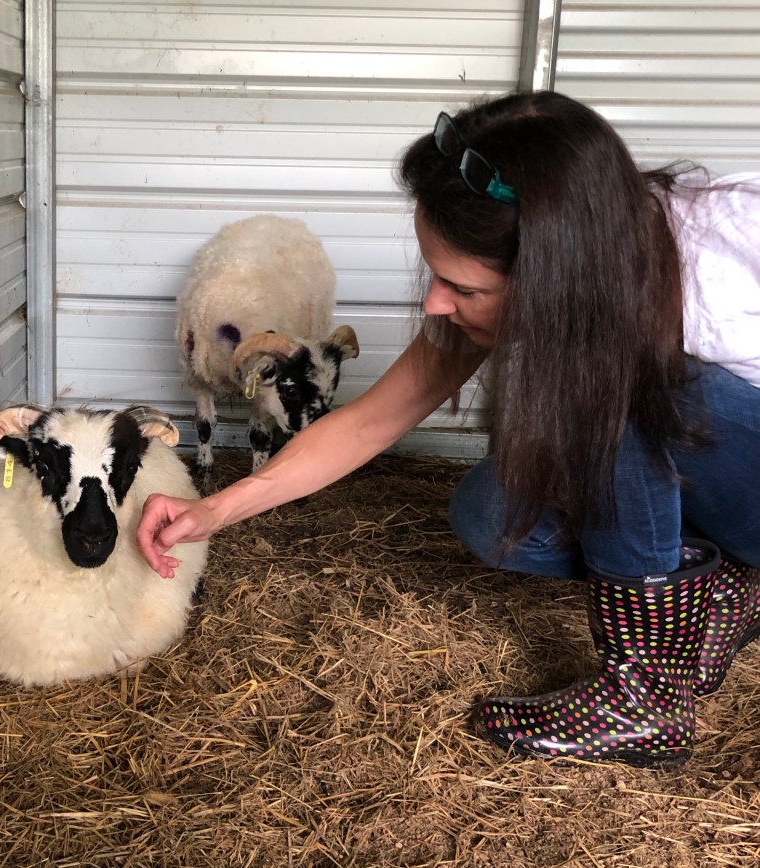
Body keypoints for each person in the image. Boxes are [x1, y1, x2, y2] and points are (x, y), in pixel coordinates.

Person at [136, 91, 760, 768]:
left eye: (464, 289)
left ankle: (644, 701)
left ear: (556, 274)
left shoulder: (731, 252)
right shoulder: (580, 249)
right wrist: (216, 510)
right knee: (493, 514)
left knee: (628, 375)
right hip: (710, 471)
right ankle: (720, 583)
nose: (436, 303)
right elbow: (371, 421)